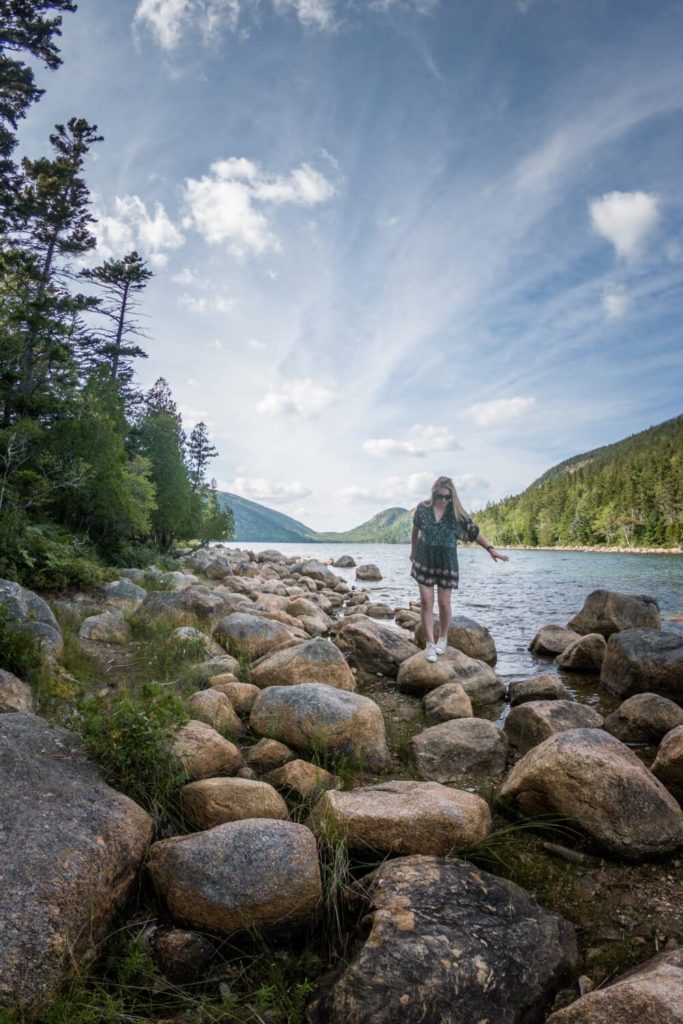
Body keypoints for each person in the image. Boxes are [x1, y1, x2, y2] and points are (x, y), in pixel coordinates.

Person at [410, 475, 509, 662]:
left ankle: (443, 638)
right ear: (434, 493)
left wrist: (491, 549)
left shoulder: (456, 513)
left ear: (452, 496)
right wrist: (413, 552)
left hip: (447, 561)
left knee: (444, 603)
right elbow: (415, 531)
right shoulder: (422, 509)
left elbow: (475, 532)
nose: (444, 500)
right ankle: (430, 644)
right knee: (425, 601)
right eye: (440, 496)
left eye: (448, 497)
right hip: (424, 559)